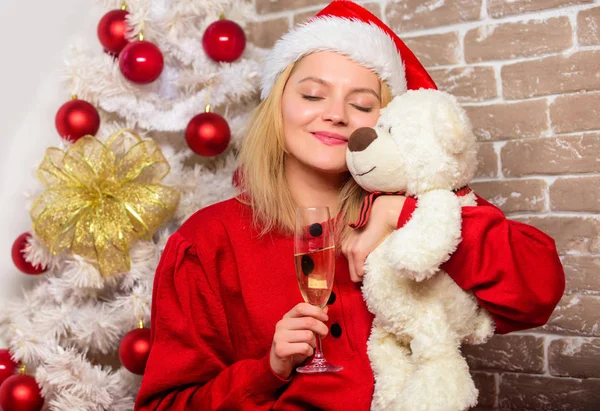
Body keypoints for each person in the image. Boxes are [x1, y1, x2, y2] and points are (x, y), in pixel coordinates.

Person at [134, 1, 565, 410]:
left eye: (361, 104)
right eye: (312, 95)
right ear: (277, 107)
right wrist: (269, 370)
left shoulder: (424, 215)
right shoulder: (207, 243)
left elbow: (538, 292)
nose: (337, 115)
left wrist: (403, 214)